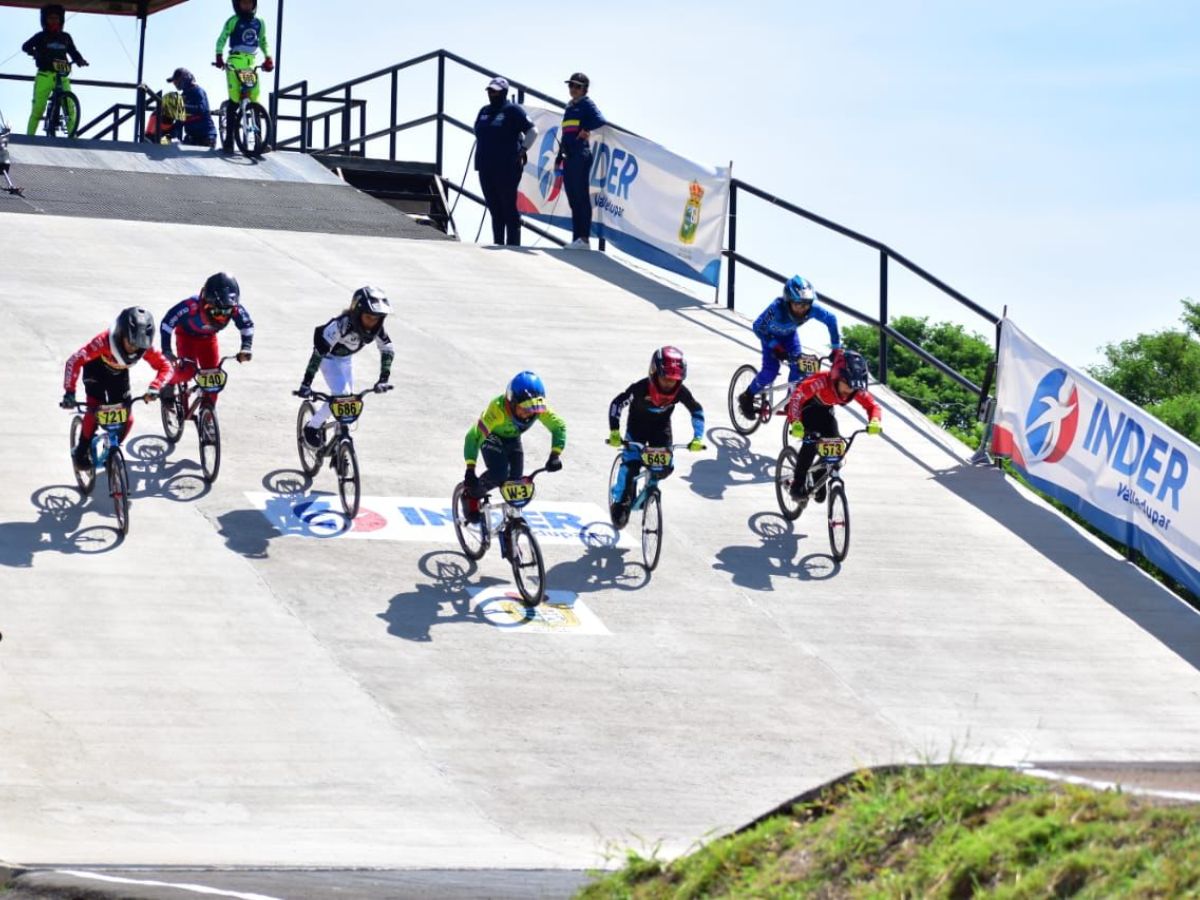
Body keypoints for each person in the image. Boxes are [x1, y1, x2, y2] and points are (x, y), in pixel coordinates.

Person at [60, 307, 171, 471]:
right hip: (95, 371)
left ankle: (111, 451)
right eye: (131, 343)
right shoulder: (103, 341)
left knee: (128, 419)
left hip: (118, 375)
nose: (134, 349)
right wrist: (69, 392)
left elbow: (166, 366)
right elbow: (73, 362)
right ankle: (81, 450)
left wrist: (155, 387)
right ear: (121, 334)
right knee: (94, 410)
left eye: (139, 345)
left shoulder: (143, 346)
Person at [606, 346, 706, 528]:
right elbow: (617, 404)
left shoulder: (681, 392)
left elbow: (696, 410)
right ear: (653, 373)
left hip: (661, 431)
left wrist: (698, 437)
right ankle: (621, 500)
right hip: (636, 430)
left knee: (665, 468)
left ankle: (650, 489)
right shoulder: (639, 389)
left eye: (674, 381)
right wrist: (614, 431)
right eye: (665, 378)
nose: (669, 384)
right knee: (630, 467)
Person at [295, 286, 394, 447]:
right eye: (368, 317)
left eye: (377, 318)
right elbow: (318, 353)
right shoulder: (341, 326)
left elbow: (387, 349)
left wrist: (383, 379)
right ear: (357, 312)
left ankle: (339, 444)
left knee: (349, 403)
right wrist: (306, 383)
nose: (372, 322)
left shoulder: (377, 329)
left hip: (346, 359)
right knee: (342, 396)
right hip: (328, 358)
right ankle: (312, 427)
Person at [461, 371, 566, 523]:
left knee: (516, 483)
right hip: (491, 437)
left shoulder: (537, 409)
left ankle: (512, 527)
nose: (527, 415)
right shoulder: (497, 410)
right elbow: (474, 436)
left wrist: (555, 454)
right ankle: (471, 494)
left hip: (513, 439)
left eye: (532, 410)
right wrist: (470, 468)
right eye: (523, 409)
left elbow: (558, 426)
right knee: (500, 474)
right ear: (511, 402)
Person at [736, 274, 841, 419]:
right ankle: (747, 396)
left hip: (790, 337)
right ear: (788, 301)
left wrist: (836, 348)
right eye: (797, 304)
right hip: (770, 338)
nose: (802, 309)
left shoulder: (812, 309)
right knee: (770, 371)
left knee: (800, 368)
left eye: (805, 305)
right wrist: (775, 347)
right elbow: (758, 327)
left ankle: (792, 401)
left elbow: (831, 319)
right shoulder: (776, 308)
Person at [784, 350, 882, 501]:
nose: (849, 392)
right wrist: (795, 421)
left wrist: (874, 420)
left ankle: (817, 474)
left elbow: (873, 406)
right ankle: (797, 483)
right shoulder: (821, 382)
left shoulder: (854, 388)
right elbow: (797, 398)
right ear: (836, 377)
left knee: (837, 453)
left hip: (825, 411)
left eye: (853, 388)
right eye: (846, 386)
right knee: (810, 443)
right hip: (806, 410)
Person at [160, 272, 253, 404]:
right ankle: (169, 383)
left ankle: (208, 418)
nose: (222, 317)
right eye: (217, 312)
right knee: (187, 372)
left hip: (208, 340)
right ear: (206, 304)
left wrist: (246, 348)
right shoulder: (190, 306)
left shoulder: (234, 307)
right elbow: (167, 323)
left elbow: (247, 325)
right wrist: (167, 350)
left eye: (227, 312)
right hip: (186, 338)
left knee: (213, 382)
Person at [473, 76, 538, 247]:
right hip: (485, 166)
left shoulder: (512, 110)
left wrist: (522, 150)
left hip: (507, 167)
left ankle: (513, 246)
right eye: (490, 90)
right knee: (494, 208)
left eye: (495, 91)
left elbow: (533, 131)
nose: (491, 94)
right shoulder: (484, 111)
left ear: (503, 92)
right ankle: (498, 243)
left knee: (508, 206)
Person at [214, 0, 274, 151]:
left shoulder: (259, 21)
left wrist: (268, 57)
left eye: (249, 3)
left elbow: (263, 40)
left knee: (255, 100)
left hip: (251, 63)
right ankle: (228, 142)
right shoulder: (233, 21)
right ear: (237, 5)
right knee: (234, 101)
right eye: (243, 3)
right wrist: (219, 56)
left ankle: (260, 143)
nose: (246, 5)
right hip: (235, 60)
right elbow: (222, 37)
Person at [22, 4, 88, 136]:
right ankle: (29, 137)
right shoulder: (40, 36)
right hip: (44, 75)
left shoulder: (66, 37)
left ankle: (72, 137)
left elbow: (73, 51)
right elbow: (25, 46)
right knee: (38, 109)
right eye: (50, 18)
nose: (53, 21)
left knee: (69, 107)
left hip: (62, 75)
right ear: (45, 20)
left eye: (56, 18)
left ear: (61, 20)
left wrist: (80, 60)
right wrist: (34, 53)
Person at [557, 72, 606, 249]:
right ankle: (577, 238)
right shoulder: (570, 106)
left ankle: (584, 239)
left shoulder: (586, 103)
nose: (573, 89)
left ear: (585, 89)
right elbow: (565, 133)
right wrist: (558, 156)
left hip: (580, 155)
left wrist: (585, 129)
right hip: (569, 156)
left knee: (581, 197)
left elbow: (600, 120)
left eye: (577, 86)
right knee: (572, 198)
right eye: (571, 85)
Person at [164, 68, 218, 148]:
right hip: (192, 138)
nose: (175, 84)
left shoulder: (198, 91)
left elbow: (201, 109)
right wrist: (164, 139)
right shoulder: (182, 97)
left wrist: (182, 107)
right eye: (174, 83)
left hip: (206, 136)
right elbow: (179, 124)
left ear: (185, 79)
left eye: (176, 81)